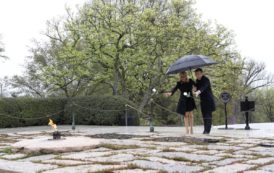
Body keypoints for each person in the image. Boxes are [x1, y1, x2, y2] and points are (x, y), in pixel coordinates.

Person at [193, 68, 216, 134]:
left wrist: (198, 91)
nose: (197, 75)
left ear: (202, 73)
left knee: (208, 115)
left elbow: (204, 87)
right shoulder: (197, 80)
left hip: (208, 100)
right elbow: (196, 88)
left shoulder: (206, 79)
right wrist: (194, 89)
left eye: (198, 74)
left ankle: (207, 130)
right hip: (202, 101)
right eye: (196, 74)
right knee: (204, 115)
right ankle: (205, 129)